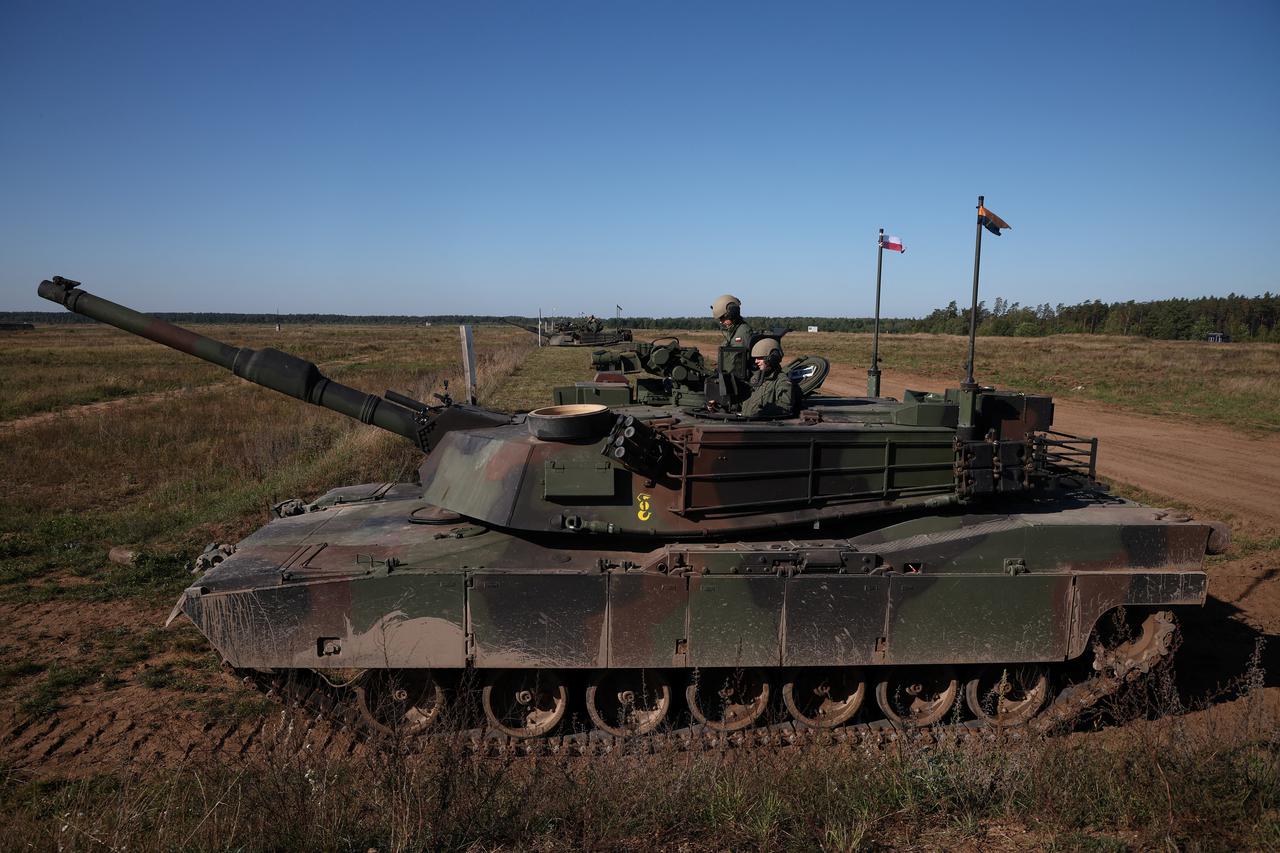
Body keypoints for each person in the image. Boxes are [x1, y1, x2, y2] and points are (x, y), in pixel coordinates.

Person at [739, 338, 797, 418]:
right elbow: (743, 402)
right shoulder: (755, 379)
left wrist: (763, 412)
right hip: (747, 424)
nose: (756, 361)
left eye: (760, 358)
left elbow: (785, 406)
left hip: (763, 426)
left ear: (772, 358)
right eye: (755, 358)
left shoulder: (782, 381)